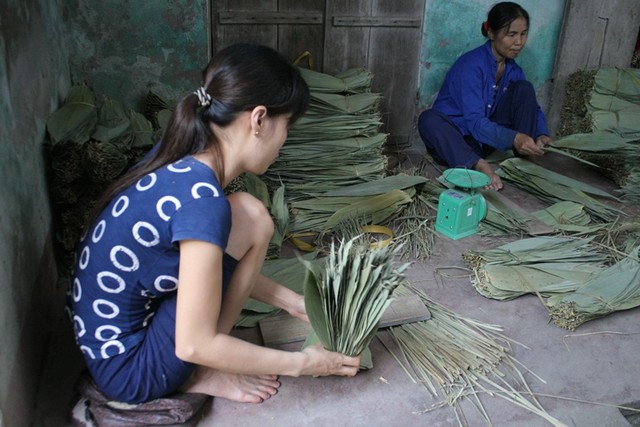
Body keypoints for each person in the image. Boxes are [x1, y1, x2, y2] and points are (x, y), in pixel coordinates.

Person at [67, 43, 361, 405]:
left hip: (101, 342)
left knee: (248, 212)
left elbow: (205, 267)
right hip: (130, 372)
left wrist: (291, 302)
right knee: (251, 219)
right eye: (287, 126)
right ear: (258, 119)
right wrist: (302, 364)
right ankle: (201, 370)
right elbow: (194, 342)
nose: (284, 141)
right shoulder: (204, 204)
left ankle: (202, 362)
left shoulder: (182, 162)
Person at [418, 1, 553, 190]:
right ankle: (478, 165)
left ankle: (525, 160)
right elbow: (474, 123)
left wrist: (541, 134)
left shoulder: (513, 70)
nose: (519, 42)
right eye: (511, 34)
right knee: (428, 119)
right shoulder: (470, 66)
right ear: (491, 33)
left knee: (524, 89)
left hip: (483, 142)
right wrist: (513, 138)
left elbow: (533, 108)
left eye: (523, 34)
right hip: (456, 143)